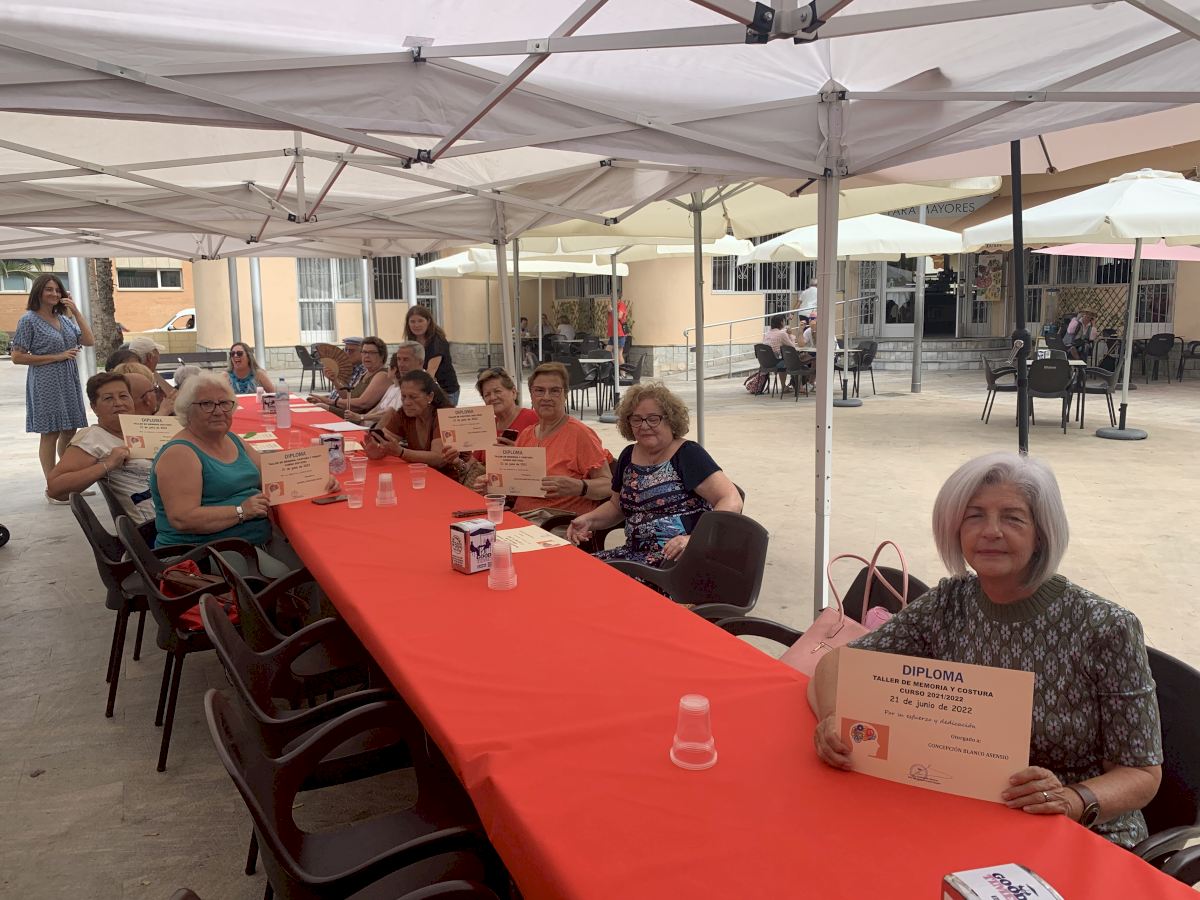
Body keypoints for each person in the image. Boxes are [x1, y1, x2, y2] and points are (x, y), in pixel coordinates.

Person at [808, 452, 1163, 850]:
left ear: (1042, 534)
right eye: (974, 516)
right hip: (965, 811)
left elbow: (1142, 774)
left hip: (1078, 832)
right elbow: (837, 661)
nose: (991, 531)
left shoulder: (1105, 627)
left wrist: (1071, 800)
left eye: (1012, 518)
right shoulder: (950, 602)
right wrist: (833, 720)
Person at [150, 373, 321, 576]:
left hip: (249, 539)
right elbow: (183, 518)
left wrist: (316, 478)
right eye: (206, 404)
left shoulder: (231, 439)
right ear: (187, 411)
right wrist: (241, 511)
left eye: (224, 403)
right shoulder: (180, 453)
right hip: (200, 553)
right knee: (291, 578)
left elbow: (271, 474)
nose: (218, 411)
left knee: (314, 566)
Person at [567, 383, 741, 566]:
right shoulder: (628, 456)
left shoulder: (687, 454)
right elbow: (616, 507)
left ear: (670, 420)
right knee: (577, 570)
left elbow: (731, 499)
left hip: (679, 561)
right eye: (636, 419)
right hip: (634, 555)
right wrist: (588, 520)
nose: (644, 426)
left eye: (653, 419)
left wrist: (694, 539)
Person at [479, 362, 609, 519]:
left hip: (558, 523)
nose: (546, 397)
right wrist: (492, 485)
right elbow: (515, 489)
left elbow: (608, 485)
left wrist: (580, 487)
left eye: (554, 391)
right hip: (521, 518)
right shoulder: (527, 434)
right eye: (539, 391)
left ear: (565, 395)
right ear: (532, 395)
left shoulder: (580, 434)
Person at [46, 373, 158, 542]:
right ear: (94, 407)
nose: (118, 403)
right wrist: (107, 465)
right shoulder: (93, 437)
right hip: (156, 529)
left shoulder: (140, 429)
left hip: (175, 513)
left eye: (123, 396)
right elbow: (55, 489)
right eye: (108, 398)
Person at [11, 274, 95, 495]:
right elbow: (17, 357)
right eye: (49, 289)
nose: (54, 294)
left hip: (68, 379)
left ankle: (67, 482)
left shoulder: (64, 319)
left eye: (58, 290)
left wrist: (76, 312)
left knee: (69, 430)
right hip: (45, 380)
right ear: (38, 292)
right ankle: (54, 488)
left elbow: (89, 341)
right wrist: (57, 356)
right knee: (50, 432)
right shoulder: (28, 320)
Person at [363, 370, 461, 473]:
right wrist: (376, 450)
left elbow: (439, 458)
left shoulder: (445, 414)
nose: (407, 402)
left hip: (451, 477)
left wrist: (401, 452)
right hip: (422, 474)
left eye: (413, 397)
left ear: (430, 396)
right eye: (403, 396)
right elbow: (385, 441)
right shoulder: (403, 414)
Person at [344, 342, 424, 426]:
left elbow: (391, 414)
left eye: (406, 359)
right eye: (399, 359)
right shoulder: (396, 386)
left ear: (420, 362)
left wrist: (361, 418)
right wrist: (361, 420)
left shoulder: (423, 385)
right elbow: (378, 409)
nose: (400, 364)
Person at [472, 367, 539, 462]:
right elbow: (474, 463)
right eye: (487, 395)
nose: (492, 397)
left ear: (513, 392)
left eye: (497, 391)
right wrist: (461, 460)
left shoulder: (535, 419)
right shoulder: (487, 427)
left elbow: (548, 458)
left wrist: (519, 455)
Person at [320, 336, 391, 417]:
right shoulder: (366, 373)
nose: (366, 356)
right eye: (364, 352)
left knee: (320, 408)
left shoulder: (382, 375)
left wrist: (331, 402)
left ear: (382, 356)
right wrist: (335, 381)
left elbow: (363, 403)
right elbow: (349, 397)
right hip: (350, 414)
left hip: (358, 418)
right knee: (316, 406)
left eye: (371, 353)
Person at [405, 306, 460, 406]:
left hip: (446, 391)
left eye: (420, 321)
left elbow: (431, 372)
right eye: (412, 321)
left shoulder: (437, 341)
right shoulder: (412, 341)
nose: (416, 325)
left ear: (428, 321)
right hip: (429, 389)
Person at [605, 294, 630, 364]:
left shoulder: (621, 305)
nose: (611, 298)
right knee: (608, 352)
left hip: (619, 333)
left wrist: (612, 310)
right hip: (613, 333)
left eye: (612, 296)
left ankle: (622, 370)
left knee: (619, 354)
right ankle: (615, 368)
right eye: (611, 296)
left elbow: (619, 316)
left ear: (617, 297)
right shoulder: (612, 305)